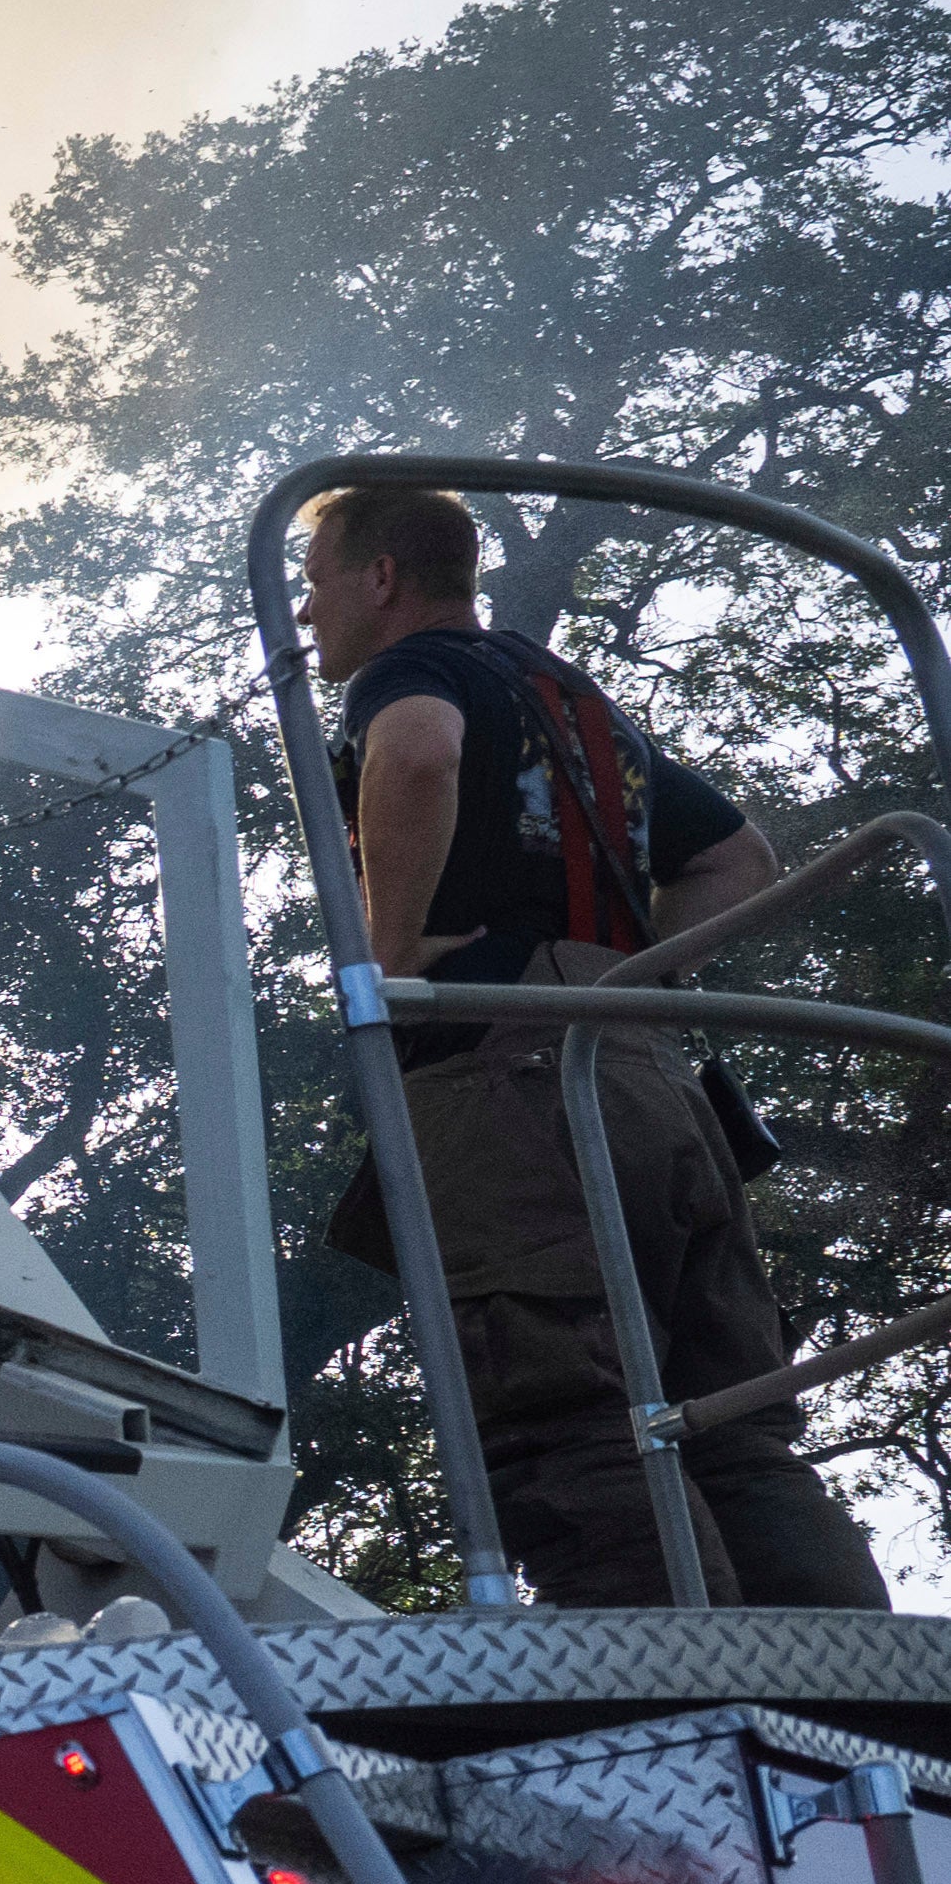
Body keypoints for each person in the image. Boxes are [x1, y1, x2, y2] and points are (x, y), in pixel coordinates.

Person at [303, 481, 879, 1607]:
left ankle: (679, 1723)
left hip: (511, 1083)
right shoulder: (575, 702)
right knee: (736, 1430)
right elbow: (739, 858)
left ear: (382, 578)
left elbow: (417, 753)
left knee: (566, 1423)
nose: (309, 608)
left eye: (317, 579)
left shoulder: (412, 674)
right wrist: (625, 981)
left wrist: (393, 960)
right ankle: (866, 1722)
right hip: (653, 1078)